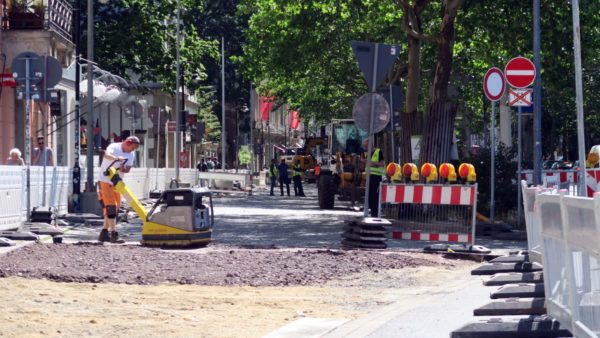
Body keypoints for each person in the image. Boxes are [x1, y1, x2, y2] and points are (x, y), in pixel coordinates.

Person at [97, 136, 140, 243]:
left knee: (115, 208)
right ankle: (114, 234)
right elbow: (106, 155)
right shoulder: (114, 147)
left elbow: (128, 169)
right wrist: (116, 158)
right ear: (128, 143)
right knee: (111, 207)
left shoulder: (131, 154)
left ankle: (104, 233)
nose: (133, 150)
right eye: (133, 147)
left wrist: (123, 168)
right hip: (105, 180)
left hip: (117, 182)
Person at [362, 138, 384, 217]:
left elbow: (382, 164)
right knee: (369, 197)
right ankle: (372, 213)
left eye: (366, 146)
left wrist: (371, 163)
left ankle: (375, 215)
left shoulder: (378, 152)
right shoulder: (367, 153)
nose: (365, 148)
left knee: (375, 197)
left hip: (376, 177)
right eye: (364, 146)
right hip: (369, 177)